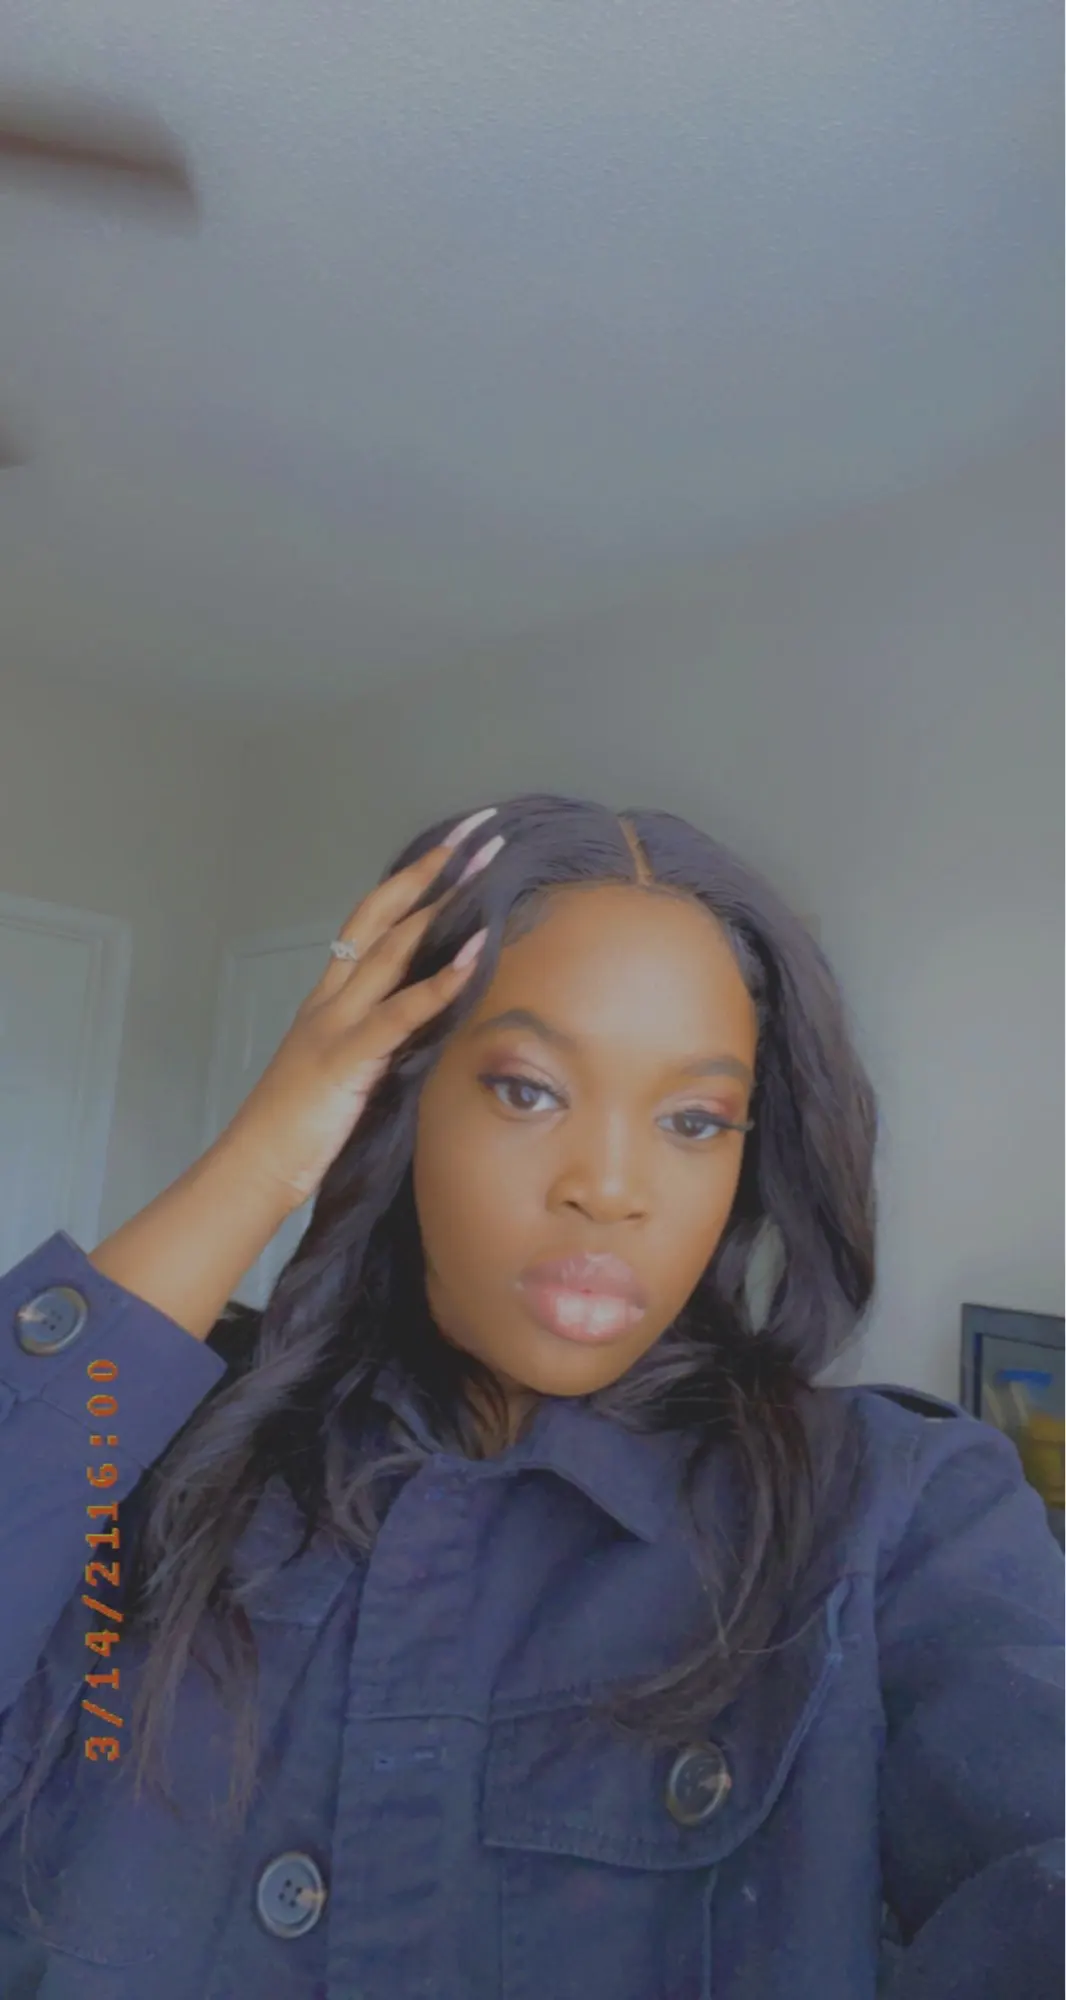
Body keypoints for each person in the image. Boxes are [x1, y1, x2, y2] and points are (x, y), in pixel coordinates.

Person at [0, 792, 1061, 2000]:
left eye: (694, 1118)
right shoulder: (149, 1451)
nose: (608, 1186)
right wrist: (259, 1160)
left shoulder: (897, 1516)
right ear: (395, 1098)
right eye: (527, 1089)